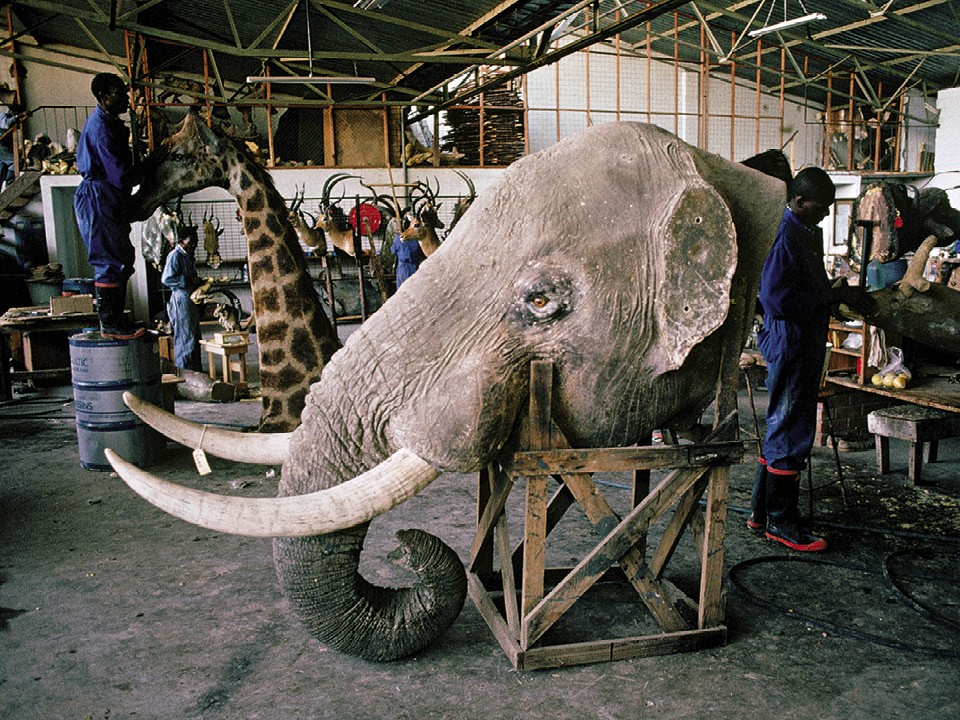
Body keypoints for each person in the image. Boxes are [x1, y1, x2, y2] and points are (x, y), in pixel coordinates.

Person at [749, 166, 875, 552]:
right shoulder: (786, 234)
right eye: (820, 207)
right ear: (799, 200)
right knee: (791, 426)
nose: (825, 213)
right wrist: (832, 297)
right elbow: (775, 300)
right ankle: (781, 523)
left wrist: (830, 292)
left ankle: (761, 513)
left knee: (782, 422)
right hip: (791, 340)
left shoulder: (802, 230)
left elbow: (799, 287)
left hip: (800, 339)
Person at [74, 73, 144, 340]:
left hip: (106, 195)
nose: (127, 98)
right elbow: (122, 176)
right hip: (99, 197)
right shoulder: (102, 129)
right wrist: (148, 166)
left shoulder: (109, 123)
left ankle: (116, 320)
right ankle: (111, 324)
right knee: (109, 260)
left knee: (122, 257)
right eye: (120, 94)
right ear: (104, 97)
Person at [161, 226, 203, 372]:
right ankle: (184, 375)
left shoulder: (188, 256)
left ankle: (196, 373)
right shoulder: (175, 255)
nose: (194, 245)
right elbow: (167, 279)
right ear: (181, 241)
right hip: (181, 300)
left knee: (195, 337)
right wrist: (189, 280)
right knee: (186, 339)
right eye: (190, 242)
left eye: (196, 242)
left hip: (190, 300)